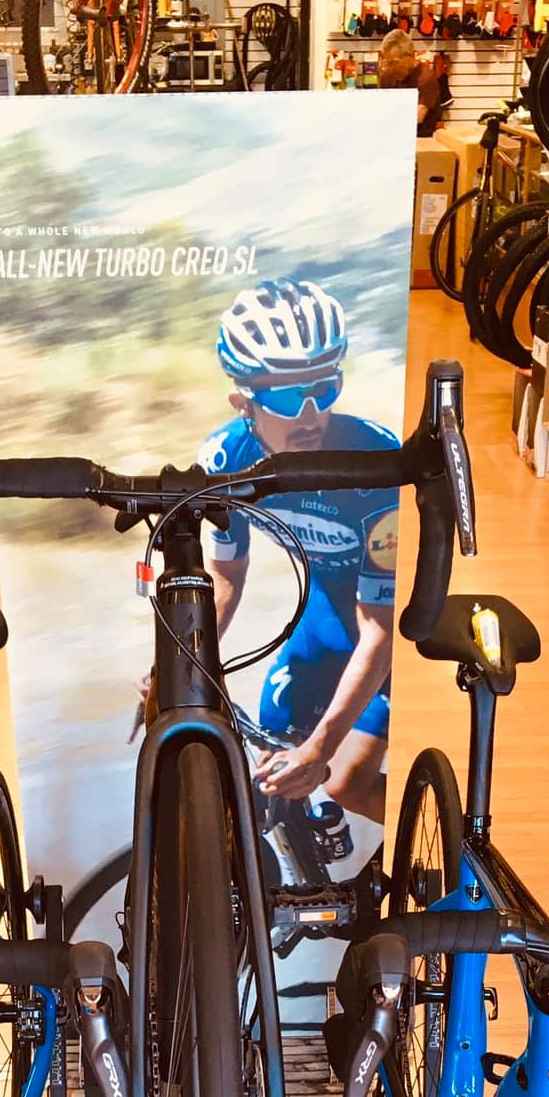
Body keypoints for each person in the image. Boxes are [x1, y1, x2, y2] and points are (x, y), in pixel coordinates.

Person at [197, 277, 399, 824]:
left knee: (346, 782)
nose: (310, 415)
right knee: (269, 777)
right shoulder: (226, 460)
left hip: (388, 629)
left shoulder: (377, 462)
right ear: (243, 402)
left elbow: (380, 627)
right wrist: (181, 659)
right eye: (289, 398)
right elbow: (226, 576)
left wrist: (321, 749)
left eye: (324, 390)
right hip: (323, 622)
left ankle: (446, 858)